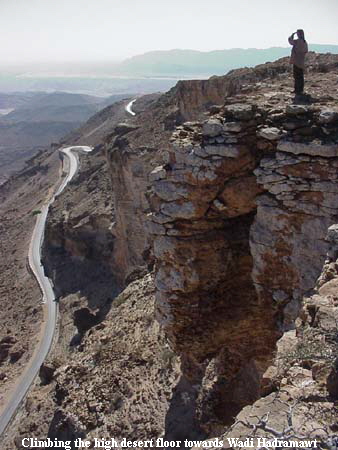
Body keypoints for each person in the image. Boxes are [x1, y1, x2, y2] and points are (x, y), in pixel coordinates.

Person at [288, 29, 308, 95]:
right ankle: (300, 89)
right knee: (300, 76)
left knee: (297, 76)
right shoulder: (305, 42)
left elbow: (290, 41)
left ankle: (297, 90)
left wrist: (292, 35)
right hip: (301, 61)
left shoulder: (298, 41)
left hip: (296, 61)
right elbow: (305, 51)